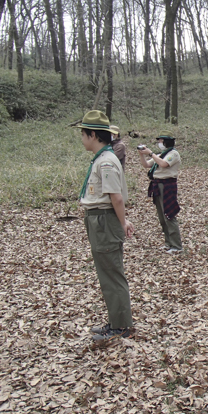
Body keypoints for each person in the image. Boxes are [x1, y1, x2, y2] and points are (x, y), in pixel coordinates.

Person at [77, 110, 135, 342]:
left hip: (104, 221)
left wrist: (122, 223)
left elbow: (116, 198)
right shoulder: (103, 158)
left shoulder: (107, 161)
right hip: (98, 219)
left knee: (112, 274)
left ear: (93, 135)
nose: (82, 139)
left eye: (83, 134)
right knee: (107, 273)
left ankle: (121, 327)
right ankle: (116, 321)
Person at [138, 135, 182, 254]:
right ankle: (168, 243)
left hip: (168, 185)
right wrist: (142, 154)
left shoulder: (173, 154)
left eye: (161, 141)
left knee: (169, 214)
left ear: (167, 141)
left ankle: (176, 245)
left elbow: (163, 164)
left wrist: (150, 153)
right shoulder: (160, 154)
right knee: (162, 217)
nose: (159, 143)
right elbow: (147, 165)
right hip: (157, 184)